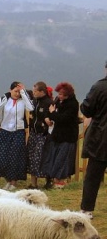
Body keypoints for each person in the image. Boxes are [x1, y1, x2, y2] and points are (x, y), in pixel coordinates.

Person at [0, 81, 34, 190]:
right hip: (4, 130)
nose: (17, 94)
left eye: (19, 92)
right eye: (15, 91)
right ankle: (7, 180)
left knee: (15, 157)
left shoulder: (23, 100)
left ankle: (13, 182)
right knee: (2, 156)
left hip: (18, 132)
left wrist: (23, 92)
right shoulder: (4, 99)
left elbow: (31, 108)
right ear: (10, 90)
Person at [78, 62, 107, 219]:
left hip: (100, 138)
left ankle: (87, 209)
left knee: (93, 176)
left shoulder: (99, 87)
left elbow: (87, 109)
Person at [41, 82, 79, 190]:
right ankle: (56, 180)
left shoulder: (72, 104)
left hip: (67, 136)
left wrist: (52, 113)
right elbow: (49, 110)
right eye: (59, 94)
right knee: (55, 158)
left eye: (62, 94)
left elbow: (62, 119)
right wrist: (47, 118)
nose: (60, 96)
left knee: (63, 159)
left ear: (68, 95)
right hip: (57, 135)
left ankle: (60, 180)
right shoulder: (58, 101)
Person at [26, 81, 54, 189]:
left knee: (42, 157)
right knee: (32, 156)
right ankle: (33, 183)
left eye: (35, 91)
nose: (33, 93)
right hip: (34, 132)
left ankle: (49, 180)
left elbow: (51, 118)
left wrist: (47, 121)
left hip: (44, 134)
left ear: (42, 91)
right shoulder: (34, 101)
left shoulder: (48, 102)